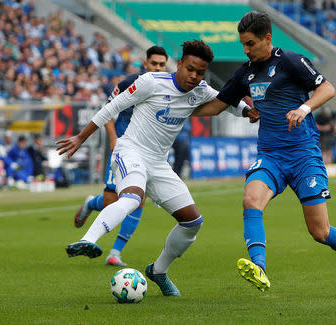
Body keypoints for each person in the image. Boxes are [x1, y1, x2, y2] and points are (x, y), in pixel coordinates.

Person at [196, 11, 336, 296]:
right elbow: (217, 105)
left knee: (320, 232)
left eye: (250, 44)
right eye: (242, 44)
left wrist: (304, 108)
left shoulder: (291, 61)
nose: (245, 50)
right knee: (250, 199)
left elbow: (328, 88)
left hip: (304, 154)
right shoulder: (245, 72)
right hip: (270, 155)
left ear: (267, 38)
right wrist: (174, 111)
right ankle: (260, 268)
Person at [56, 40, 258, 296]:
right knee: (131, 199)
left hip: (158, 163)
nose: (194, 76)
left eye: (200, 72)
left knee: (192, 222)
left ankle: (158, 270)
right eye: (191, 69)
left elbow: (225, 101)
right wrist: (80, 137)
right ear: (181, 63)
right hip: (130, 151)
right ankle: (87, 240)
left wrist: (247, 111)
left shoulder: (200, 90)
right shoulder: (150, 81)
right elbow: (112, 107)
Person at [73, 46, 169, 267]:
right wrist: (113, 138)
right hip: (123, 148)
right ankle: (91, 203)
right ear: (145, 64)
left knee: (137, 201)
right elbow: (107, 109)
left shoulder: (167, 87)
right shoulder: (129, 83)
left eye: (161, 65)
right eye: (153, 63)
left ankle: (115, 253)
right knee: (111, 202)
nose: (157, 68)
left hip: (145, 152)